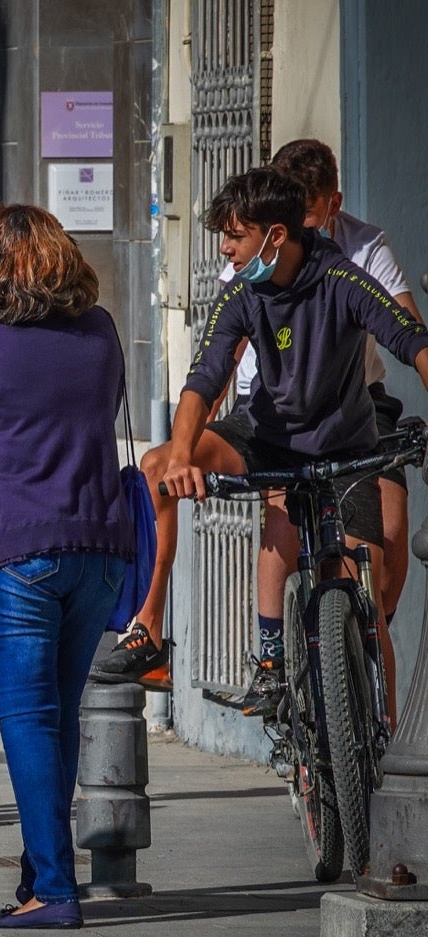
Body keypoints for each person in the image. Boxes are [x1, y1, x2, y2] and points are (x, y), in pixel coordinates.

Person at [89, 168, 428, 703]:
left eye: (234, 235)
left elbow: (411, 341)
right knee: (154, 468)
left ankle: (380, 749)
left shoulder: (342, 280)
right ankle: (150, 626)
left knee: (367, 608)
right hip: (264, 435)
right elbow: (205, 378)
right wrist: (182, 458)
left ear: (275, 235)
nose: (224, 249)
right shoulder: (241, 293)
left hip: (346, 449)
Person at [0, 202, 134, 930]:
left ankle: (55, 888)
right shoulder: (101, 333)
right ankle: (36, 874)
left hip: (16, 550)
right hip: (99, 547)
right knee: (59, 719)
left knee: (26, 720)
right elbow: (100, 411)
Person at [211, 139, 423, 718]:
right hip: (275, 411)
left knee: (386, 550)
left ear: (332, 204)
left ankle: (369, 666)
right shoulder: (249, 250)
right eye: (290, 218)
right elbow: (218, 358)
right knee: (281, 513)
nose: (299, 233)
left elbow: (406, 326)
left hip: (356, 406)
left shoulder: (359, 250)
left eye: (309, 216)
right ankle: (276, 660)